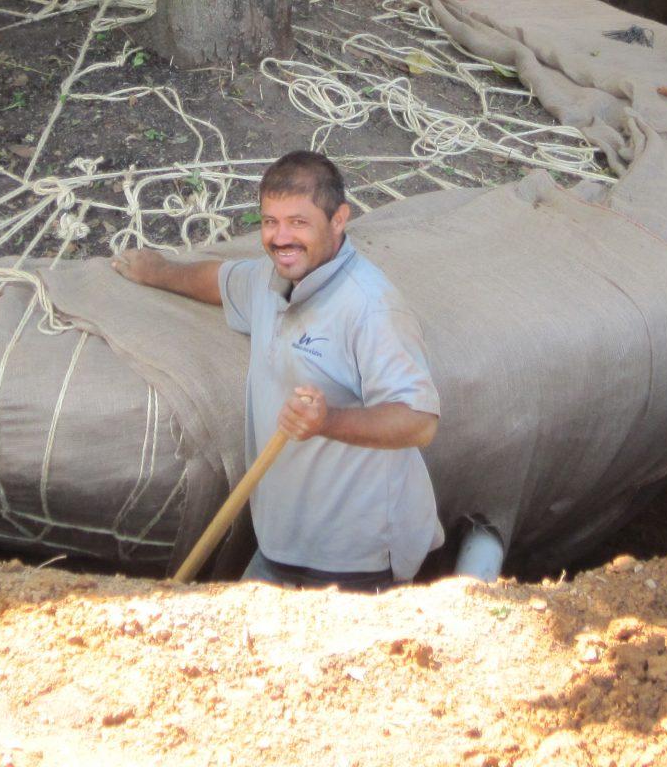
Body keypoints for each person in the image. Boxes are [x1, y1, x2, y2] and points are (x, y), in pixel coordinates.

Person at [112, 151, 442, 588]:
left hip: (354, 556)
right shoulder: (270, 282)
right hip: (280, 541)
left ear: (339, 219)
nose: (281, 237)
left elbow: (418, 423)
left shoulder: (370, 308)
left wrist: (328, 421)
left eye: (299, 222)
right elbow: (218, 280)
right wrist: (158, 271)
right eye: (270, 221)